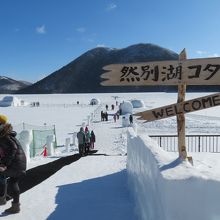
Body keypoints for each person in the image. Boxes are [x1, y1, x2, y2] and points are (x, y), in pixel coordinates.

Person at [0, 114, 26, 214]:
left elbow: (13, 148)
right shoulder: (5, 134)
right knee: (7, 179)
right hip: (18, 162)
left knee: (13, 182)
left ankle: (15, 206)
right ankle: (3, 199)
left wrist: (5, 164)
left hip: (16, 164)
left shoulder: (4, 135)